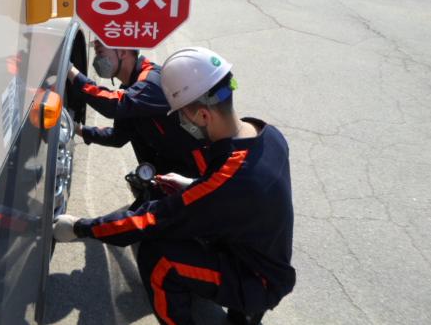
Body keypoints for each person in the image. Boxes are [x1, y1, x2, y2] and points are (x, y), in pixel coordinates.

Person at [54, 47, 296, 325]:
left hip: (258, 280)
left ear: (204, 116)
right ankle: (245, 313)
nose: (180, 121)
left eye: (181, 115)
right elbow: (247, 200)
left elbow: (149, 219)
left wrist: (80, 227)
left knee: (159, 258)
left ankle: (241, 305)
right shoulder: (268, 134)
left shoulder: (228, 181)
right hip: (262, 256)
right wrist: (194, 185)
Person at [67, 40, 207, 178]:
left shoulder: (150, 82)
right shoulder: (131, 88)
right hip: (168, 168)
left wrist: (68, 69)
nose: (98, 60)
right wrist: (74, 127)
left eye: (100, 53)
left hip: (197, 171)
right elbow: (118, 137)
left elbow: (112, 105)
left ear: (122, 52)